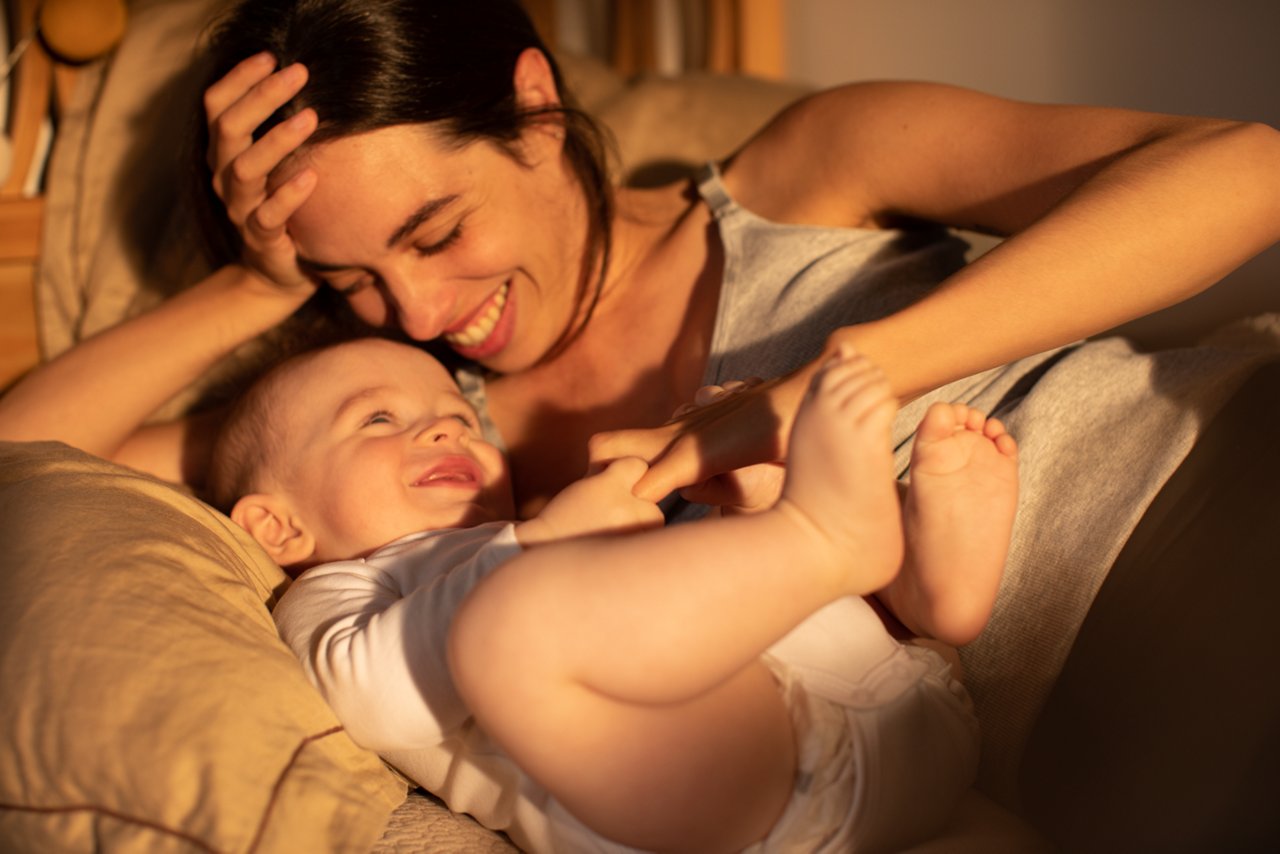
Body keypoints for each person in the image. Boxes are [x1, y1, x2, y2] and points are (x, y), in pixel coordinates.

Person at [0, 0, 1276, 798]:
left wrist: (835, 379)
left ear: (536, 110)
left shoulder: (804, 172)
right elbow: (28, 457)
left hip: (1202, 491)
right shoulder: (422, 438)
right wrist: (257, 285)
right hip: (1037, 752)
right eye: (356, 278)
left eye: (436, 227)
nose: (426, 310)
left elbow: (1246, 169)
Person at [204, 333, 1019, 852]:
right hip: (737, 803)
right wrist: (542, 542)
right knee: (510, 630)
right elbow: (379, 701)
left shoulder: (532, 524)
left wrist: (726, 500)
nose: (449, 429)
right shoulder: (334, 592)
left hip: (894, 717)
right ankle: (823, 540)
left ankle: (917, 598)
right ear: (279, 529)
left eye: (460, 417)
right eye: (377, 420)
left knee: (697, 551)